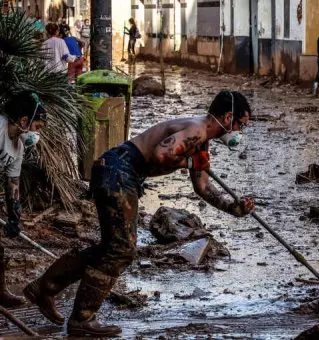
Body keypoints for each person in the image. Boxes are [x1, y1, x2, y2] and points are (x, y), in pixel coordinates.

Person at [24, 91, 255, 337]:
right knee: (121, 250)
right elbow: (161, 154)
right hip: (119, 171)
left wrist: (232, 207)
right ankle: (82, 317)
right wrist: (188, 163)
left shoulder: (202, 139)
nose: (240, 132)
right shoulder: (196, 130)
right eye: (241, 125)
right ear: (229, 117)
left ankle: (45, 287)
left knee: (112, 248)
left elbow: (203, 187)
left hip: (118, 172)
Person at [0, 92, 47, 308]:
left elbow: (13, 184)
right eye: (37, 127)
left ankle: (0, 292)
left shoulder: (17, 146)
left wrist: (14, 217)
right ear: (23, 121)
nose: (37, 134)